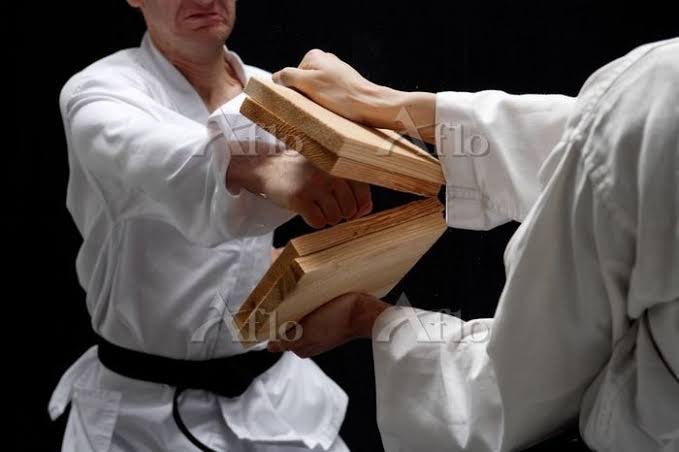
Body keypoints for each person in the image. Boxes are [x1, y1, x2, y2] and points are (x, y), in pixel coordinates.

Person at [267, 39, 679, 451]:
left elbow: (519, 389)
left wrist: (368, 319)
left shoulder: (655, 97)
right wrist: (389, 106)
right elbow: (626, 151)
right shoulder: (651, 105)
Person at [48, 1, 372, 451]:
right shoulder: (98, 93)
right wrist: (263, 169)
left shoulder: (276, 92)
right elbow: (151, 154)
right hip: (140, 420)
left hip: (274, 400)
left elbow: (239, 253)